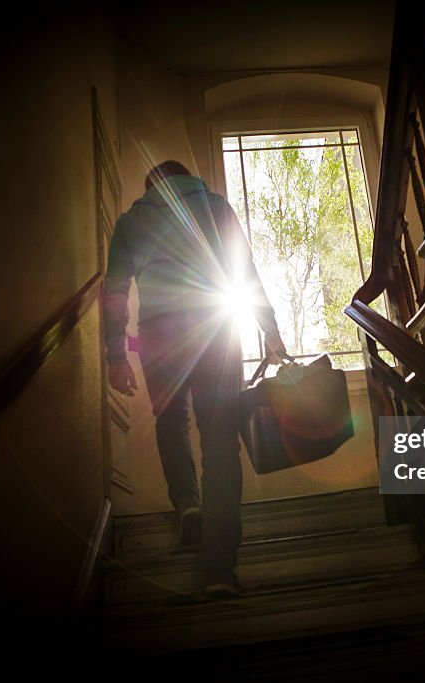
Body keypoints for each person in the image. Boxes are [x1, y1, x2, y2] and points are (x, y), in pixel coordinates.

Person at [102, 160, 286, 598]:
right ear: (186, 177)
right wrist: (269, 327)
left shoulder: (132, 219)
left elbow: (114, 290)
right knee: (220, 438)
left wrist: (115, 354)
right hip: (214, 323)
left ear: (152, 186)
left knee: (171, 421)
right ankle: (219, 568)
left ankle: (187, 505)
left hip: (158, 332)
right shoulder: (216, 205)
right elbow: (246, 271)